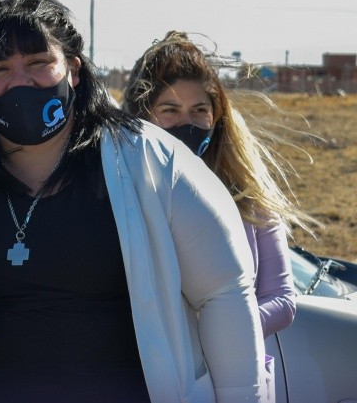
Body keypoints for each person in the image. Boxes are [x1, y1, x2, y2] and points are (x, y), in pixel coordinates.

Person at [0, 0, 269, 402]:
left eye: (40, 63)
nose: (21, 82)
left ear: (73, 70)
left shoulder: (150, 159)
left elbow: (223, 293)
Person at [121, 31, 318, 338]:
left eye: (199, 110)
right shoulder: (121, 197)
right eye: (170, 110)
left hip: (247, 375)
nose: (186, 123)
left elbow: (281, 300)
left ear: (216, 117)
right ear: (142, 117)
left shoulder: (248, 195)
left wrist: (219, 336)